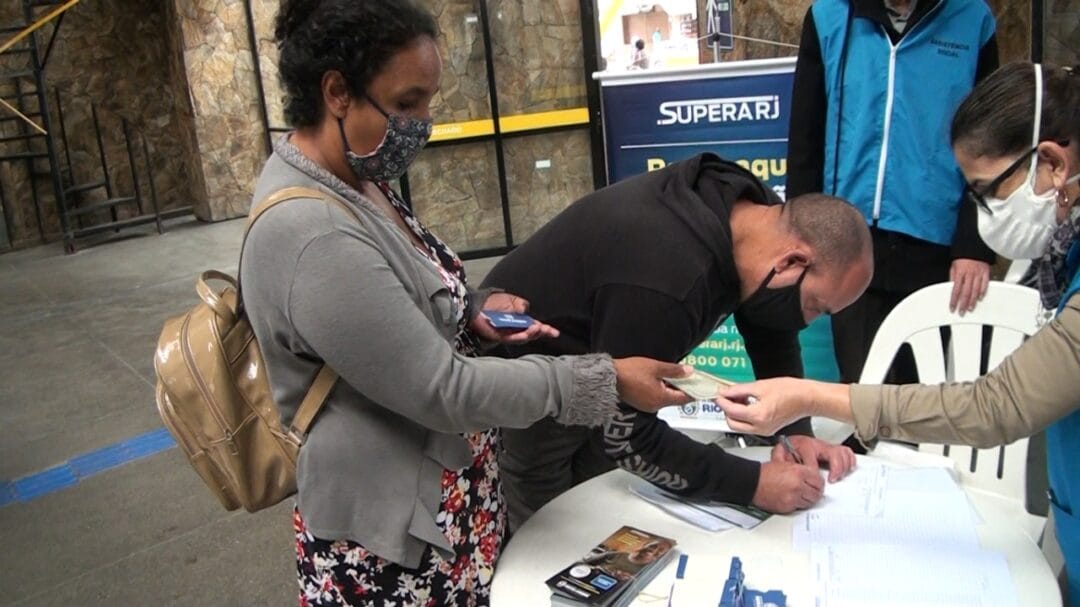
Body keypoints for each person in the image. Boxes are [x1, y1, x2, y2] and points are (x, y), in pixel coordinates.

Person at [241, 2, 693, 605]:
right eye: (405, 104)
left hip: (453, 513)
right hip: (393, 554)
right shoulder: (310, 231)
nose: (422, 123)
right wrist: (602, 380)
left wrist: (472, 307)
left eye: (429, 101)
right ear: (336, 92)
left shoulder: (357, 181)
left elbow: (398, 299)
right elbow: (443, 392)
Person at [716, 62, 1080, 606]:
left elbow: (995, 405)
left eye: (987, 191)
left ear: (1050, 161)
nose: (983, 213)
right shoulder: (1065, 255)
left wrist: (807, 393)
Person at [481, 153, 869, 530]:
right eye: (816, 306)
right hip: (532, 376)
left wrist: (796, 427)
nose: (809, 321)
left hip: (602, 346)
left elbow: (770, 322)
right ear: (792, 261)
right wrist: (753, 484)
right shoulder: (667, 277)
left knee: (603, 507)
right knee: (552, 532)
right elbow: (629, 437)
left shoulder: (758, 219)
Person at [787, 0, 999, 389]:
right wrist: (797, 234)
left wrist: (974, 244)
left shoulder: (973, 19)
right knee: (862, 390)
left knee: (928, 395)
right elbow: (805, 135)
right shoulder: (828, 17)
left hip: (935, 243)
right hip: (848, 239)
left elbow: (991, 145)